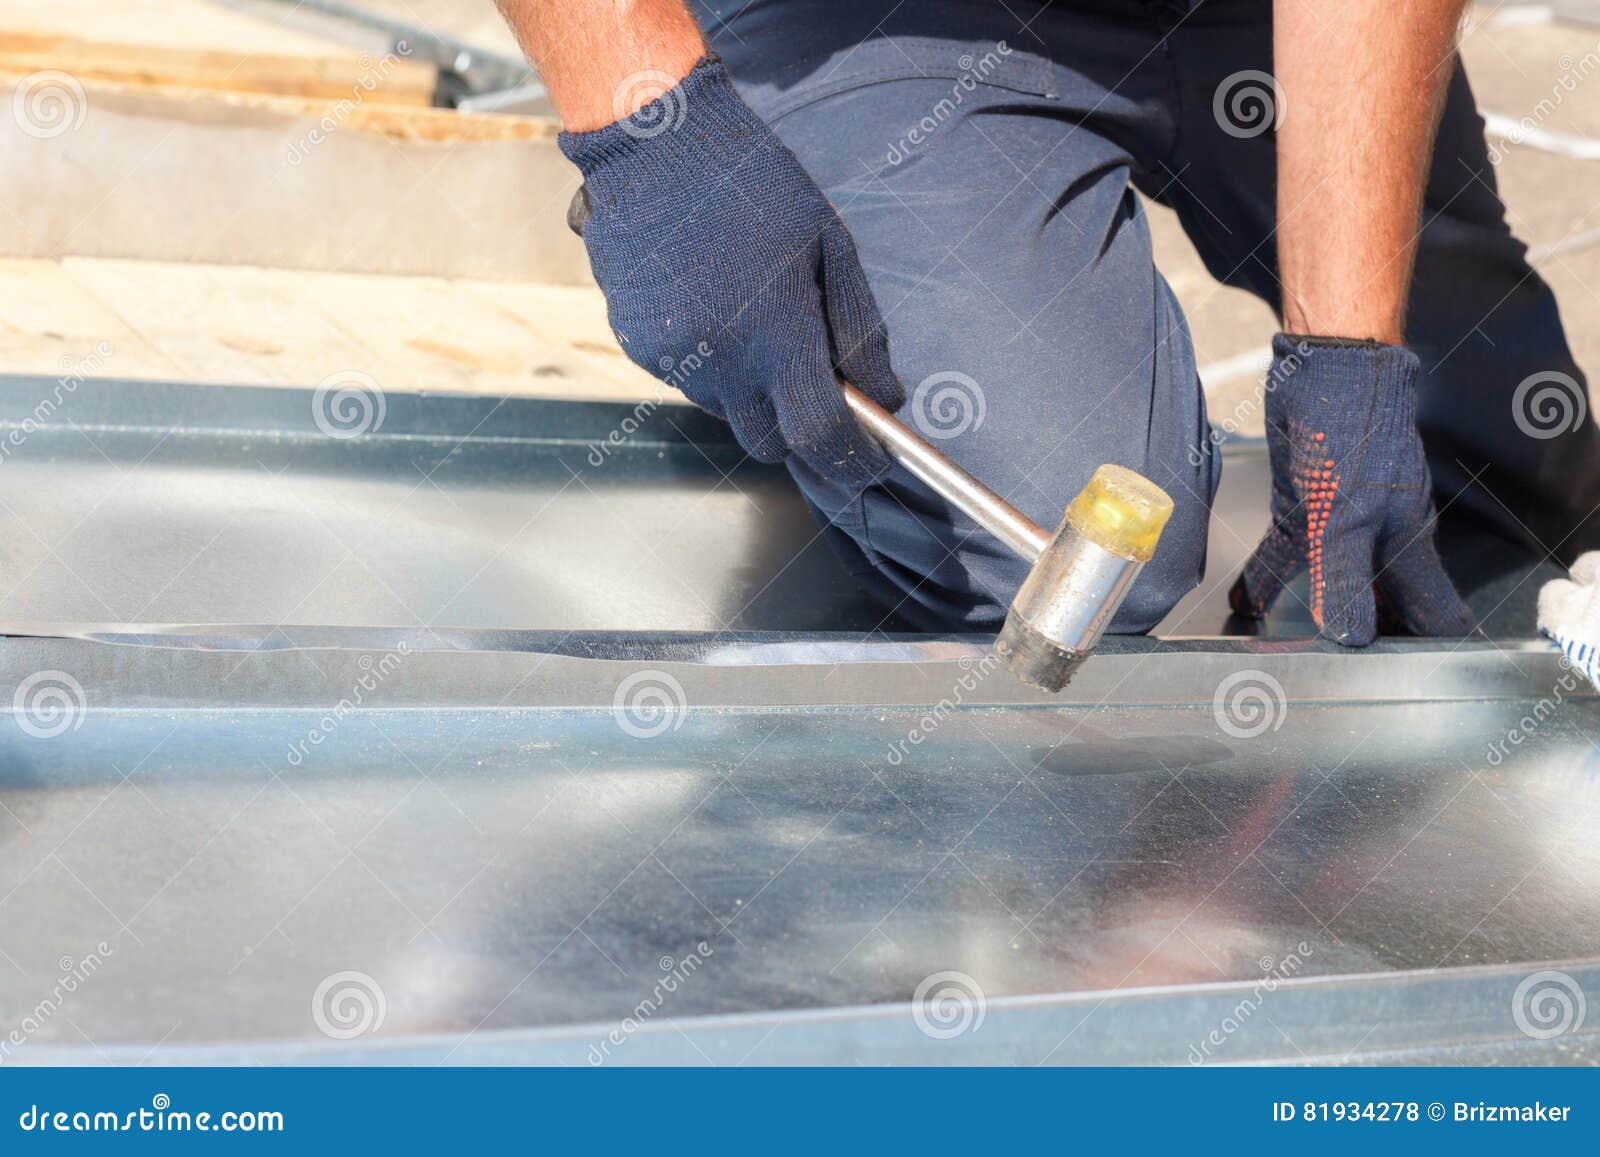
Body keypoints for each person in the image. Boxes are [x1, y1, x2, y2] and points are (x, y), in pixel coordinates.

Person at [494, 0, 1598, 642]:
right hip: (871, 19)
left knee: (1514, 450)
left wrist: (1348, 354)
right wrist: (648, 124)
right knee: (1099, 552)